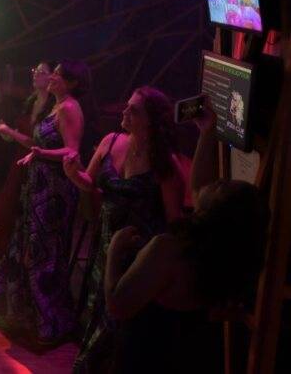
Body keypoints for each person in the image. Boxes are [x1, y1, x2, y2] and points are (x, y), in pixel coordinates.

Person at [103, 104, 268, 373]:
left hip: (145, 352)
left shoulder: (168, 250)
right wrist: (207, 132)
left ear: (215, 212)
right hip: (186, 354)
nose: (219, 181)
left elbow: (118, 304)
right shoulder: (219, 254)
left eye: (222, 187)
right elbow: (200, 187)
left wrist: (113, 250)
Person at [63, 86, 187, 373]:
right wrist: (73, 174)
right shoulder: (111, 141)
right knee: (98, 315)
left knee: (120, 330)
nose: (125, 111)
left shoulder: (165, 163)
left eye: (134, 110)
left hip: (136, 258)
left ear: (151, 121)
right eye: (127, 105)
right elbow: (89, 182)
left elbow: (174, 222)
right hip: (104, 247)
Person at [0, 60, 89, 348]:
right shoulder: (57, 106)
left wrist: (40, 152)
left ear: (72, 83)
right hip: (40, 186)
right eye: (53, 72)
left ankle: (51, 323)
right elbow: (38, 144)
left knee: (45, 254)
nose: (53, 77)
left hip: (55, 191)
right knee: (30, 248)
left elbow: (72, 150)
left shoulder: (70, 108)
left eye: (58, 74)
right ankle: (29, 316)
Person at [0, 61, 56, 256]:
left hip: (35, 164)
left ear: (52, 77)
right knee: (3, 214)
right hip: (18, 162)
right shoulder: (30, 101)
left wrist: (10, 132)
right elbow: (18, 136)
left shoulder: (54, 109)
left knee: (23, 218)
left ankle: (18, 261)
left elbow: (36, 144)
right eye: (35, 70)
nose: (36, 74)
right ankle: (7, 261)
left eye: (42, 71)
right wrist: (4, 132)